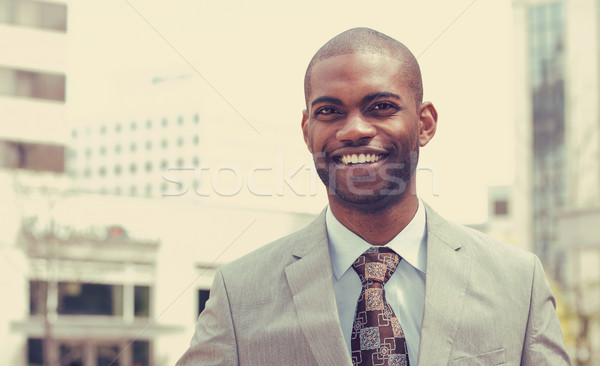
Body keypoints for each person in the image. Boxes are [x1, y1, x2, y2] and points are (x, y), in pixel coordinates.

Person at [176, 28, 570, 365]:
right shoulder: (239, 293)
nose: (354, 130)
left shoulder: (519, 281)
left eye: (381, 107)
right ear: (306, 129)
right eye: (329, 111)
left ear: (424, 123)